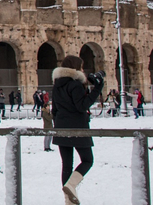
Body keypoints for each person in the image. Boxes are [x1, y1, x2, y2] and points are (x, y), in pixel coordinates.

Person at [51, 55, 104, 205]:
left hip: (61, 127)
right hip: (78, 127)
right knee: (87, 160)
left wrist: (59, 125)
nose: (82, 70)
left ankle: (69, 200)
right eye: (80, 67)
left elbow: (54, 110)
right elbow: (82, 105)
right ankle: (71, 185)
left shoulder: (57, 85)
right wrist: (97, 89)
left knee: (66, 164)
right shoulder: (74, 85)